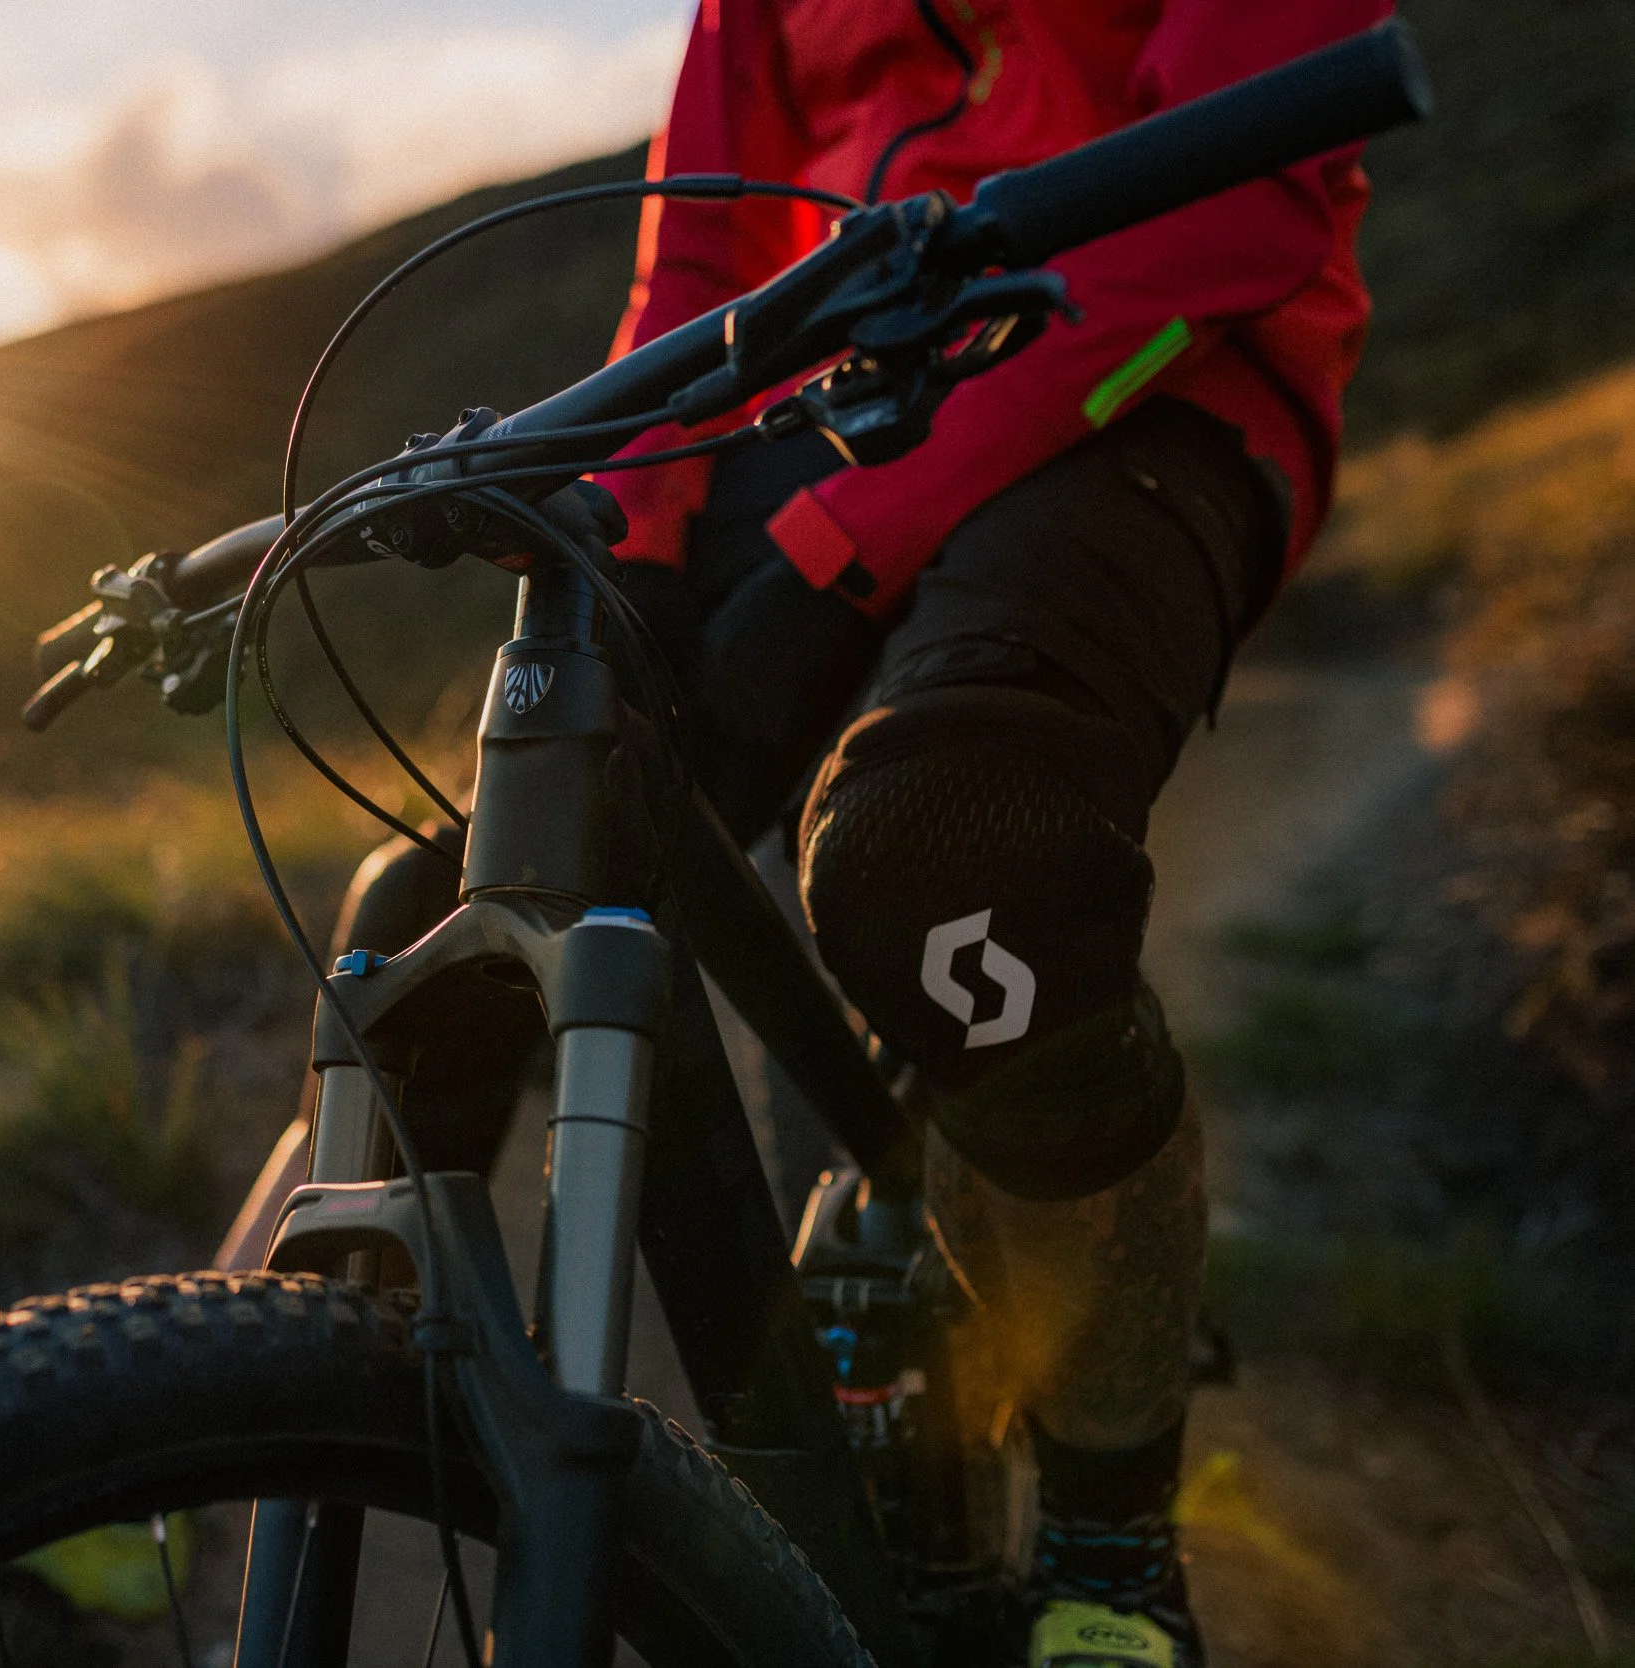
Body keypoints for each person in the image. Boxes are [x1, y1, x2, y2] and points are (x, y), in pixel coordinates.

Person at [581, 2, 1387, 1663]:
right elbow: (695, 260)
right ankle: (259, 1415)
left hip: (1159, 371)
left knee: (948, 845)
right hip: (832, 411)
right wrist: (632, 524)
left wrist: (841, 542)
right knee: (493, 850)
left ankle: (1110, 1568)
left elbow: (1237, 211)